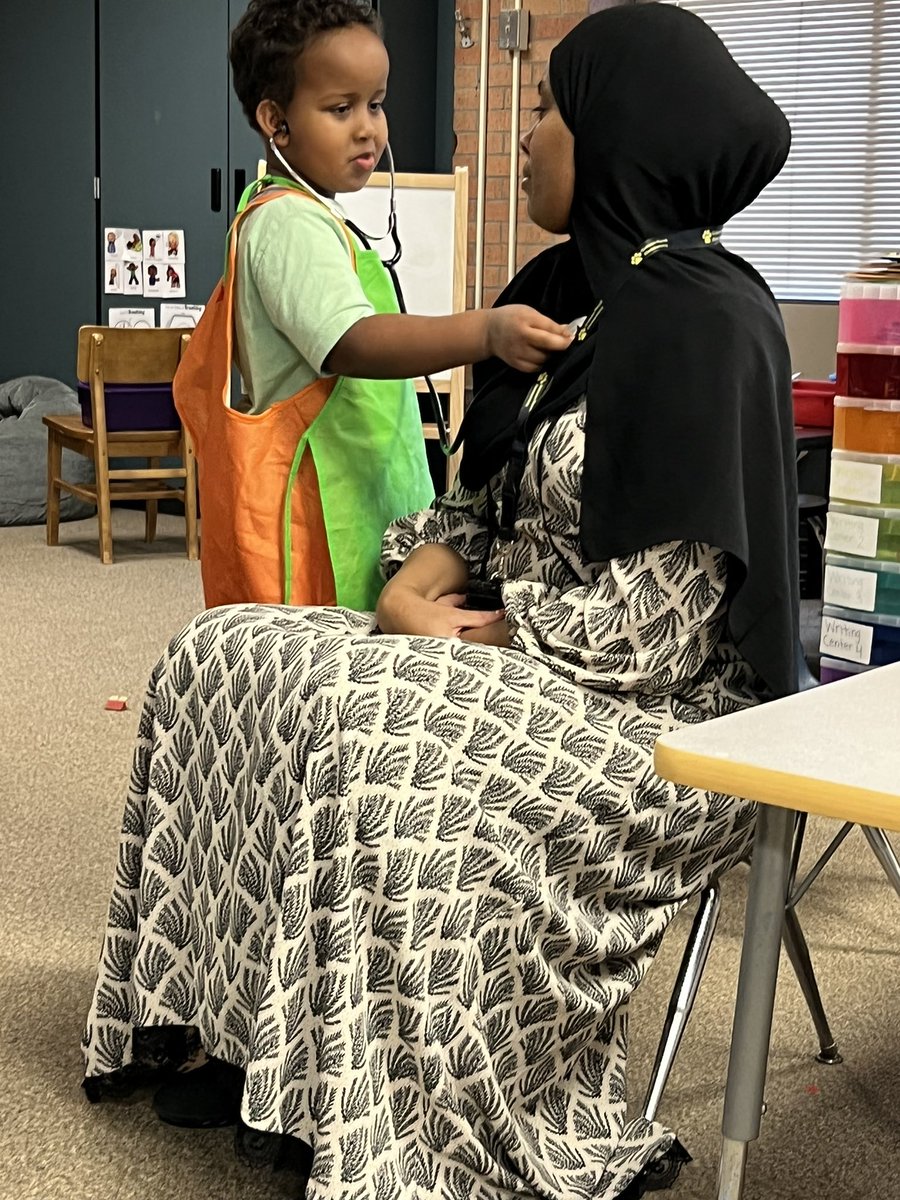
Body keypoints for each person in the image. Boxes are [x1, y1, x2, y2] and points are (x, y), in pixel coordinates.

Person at [82, 5, 798, 1198]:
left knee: (373, 729)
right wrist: (417, 586)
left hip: (651, 709)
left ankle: (398, 1109)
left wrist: (472, 633)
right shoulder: (567, 288)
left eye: (548, 109)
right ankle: (252, 1037)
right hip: (514, 643)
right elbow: (479, 498)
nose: (523, 136)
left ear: (619, 132)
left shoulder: (708, 324)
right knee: (223, 653)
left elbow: (651, 633)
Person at [173, 0, 572, 614]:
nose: (369, 129)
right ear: (275, 121)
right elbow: (350, 342)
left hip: (362, 495)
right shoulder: (286, 223)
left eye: (376, 103)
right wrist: (485, 332)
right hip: (322, 513)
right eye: (341, 109)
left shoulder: (320, 217)